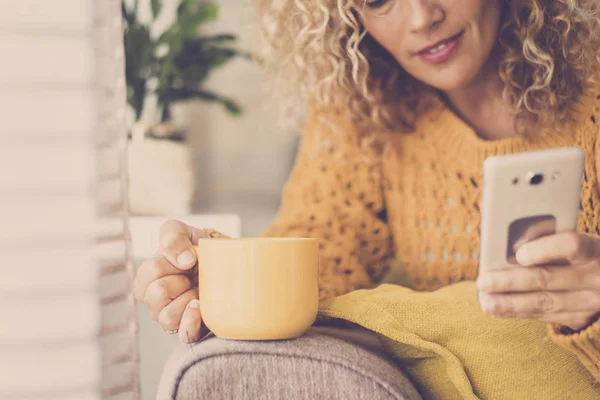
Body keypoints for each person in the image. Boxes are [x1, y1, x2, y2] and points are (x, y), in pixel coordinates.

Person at [133, 0, 600, 380]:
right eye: (378, 0)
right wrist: (217, 278)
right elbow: (318, 254)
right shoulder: (364, 106)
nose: (422, 18)